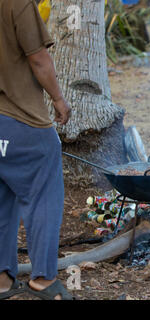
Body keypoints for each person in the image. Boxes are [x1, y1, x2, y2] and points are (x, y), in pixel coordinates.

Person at [0, 0, 72, 299]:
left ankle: (2, 279)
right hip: (20, 119)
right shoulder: (17, 3)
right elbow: (39, 58)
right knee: (43, 195)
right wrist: (58, 99)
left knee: (2, 198)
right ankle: (43, 277)